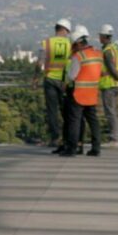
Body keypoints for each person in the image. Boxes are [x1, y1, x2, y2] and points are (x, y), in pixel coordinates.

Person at [57, 25, 102, 157]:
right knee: (93, 121)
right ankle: (96, 148)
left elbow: (72, 76)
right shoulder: (97, 54)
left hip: (78, 94)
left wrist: (66, 83)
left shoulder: (79, 56)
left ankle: (71, 148)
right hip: (92, 93)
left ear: (77, 43)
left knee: (74, 121)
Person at [40, 18, 73, 149]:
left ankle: (55, 138)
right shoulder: (70, 45)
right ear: (65, 30)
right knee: (66, 111)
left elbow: (39, 63)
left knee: (52, 111)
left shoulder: (47, 43)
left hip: (49, 80)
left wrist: (35, 79)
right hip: (64, 82)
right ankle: (67, 138)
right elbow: (71, 64)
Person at [98, 23, 118, 148]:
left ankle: (114, 139)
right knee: (111, 111)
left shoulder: (107, 51)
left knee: (110, 112)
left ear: (104, 36)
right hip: (114, 84)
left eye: (100, 35)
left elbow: (112, 69)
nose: (99, 38)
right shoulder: (115, 48)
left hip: (109, 84)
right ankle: (114, 139)